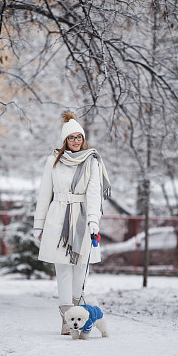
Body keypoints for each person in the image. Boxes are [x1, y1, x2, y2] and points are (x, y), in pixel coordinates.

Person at [33, 111, 110, 335]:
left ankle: (78, 317)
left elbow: (94, 194)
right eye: (71, 138)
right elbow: (44, 193)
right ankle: (66, 320)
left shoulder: (91, 161)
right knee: (63, 271)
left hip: (83, 219)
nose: (75, 141)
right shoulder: (53, 161)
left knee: (79, 271)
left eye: (79, 137)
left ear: (83, 139)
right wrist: (39, 223)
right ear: (65, 140)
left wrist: (94, 222)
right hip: (57, 218)